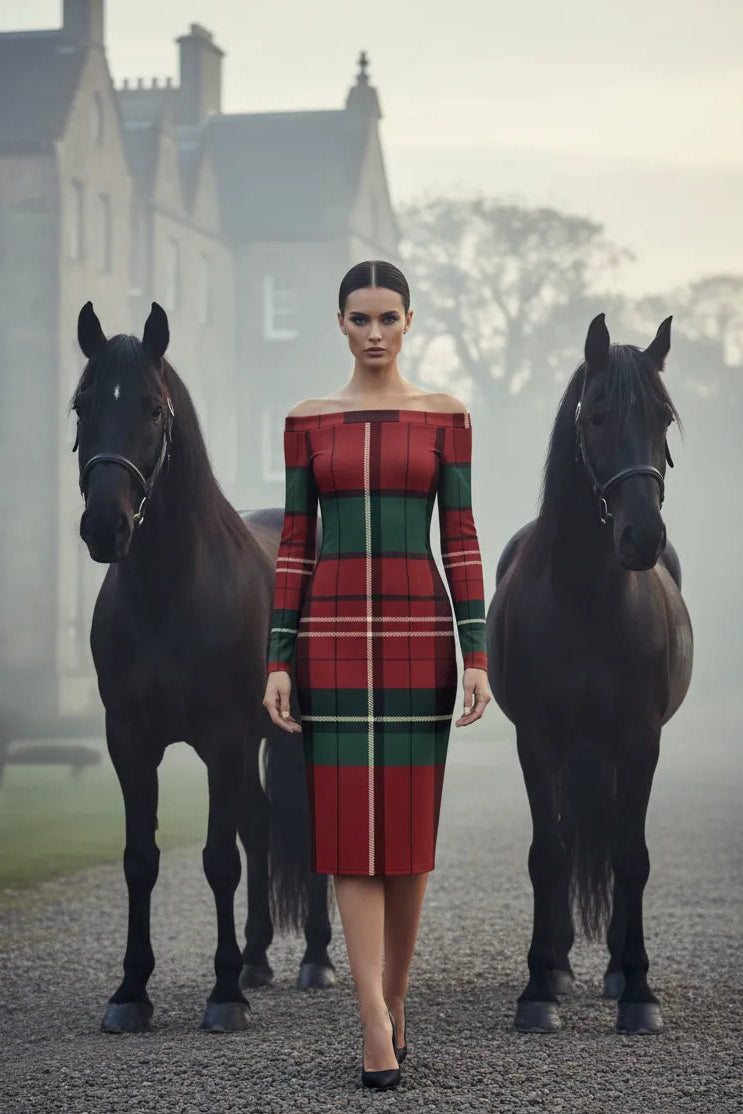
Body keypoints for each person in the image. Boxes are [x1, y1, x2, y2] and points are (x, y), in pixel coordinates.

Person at [262, 259, 491, 1090]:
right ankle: (369, 1021)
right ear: (339, 323)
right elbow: (293, 544)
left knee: (405, 841)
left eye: (386, 318)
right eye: (358, 318)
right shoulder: (307, 422)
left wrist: (476, 652)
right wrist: (277, 658)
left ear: (408, 320)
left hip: (418, 634)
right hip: (328, 637)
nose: (372, 332)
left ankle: (395, 998)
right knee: (349, 838)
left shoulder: (445, 417)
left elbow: (460, 537)